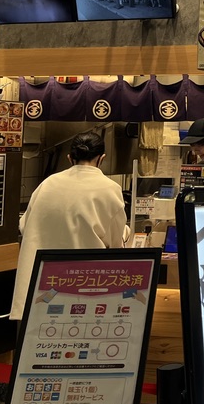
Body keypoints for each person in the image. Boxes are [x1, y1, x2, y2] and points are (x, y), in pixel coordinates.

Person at [10, 131, 129, 321]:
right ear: (102, 159)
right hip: (83, 285)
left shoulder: (47, 184)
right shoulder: (109, 188)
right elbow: (115, 243)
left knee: (40, 334)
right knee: (77, 331)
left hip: (42, 285)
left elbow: (25, 227)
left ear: (69, 158)